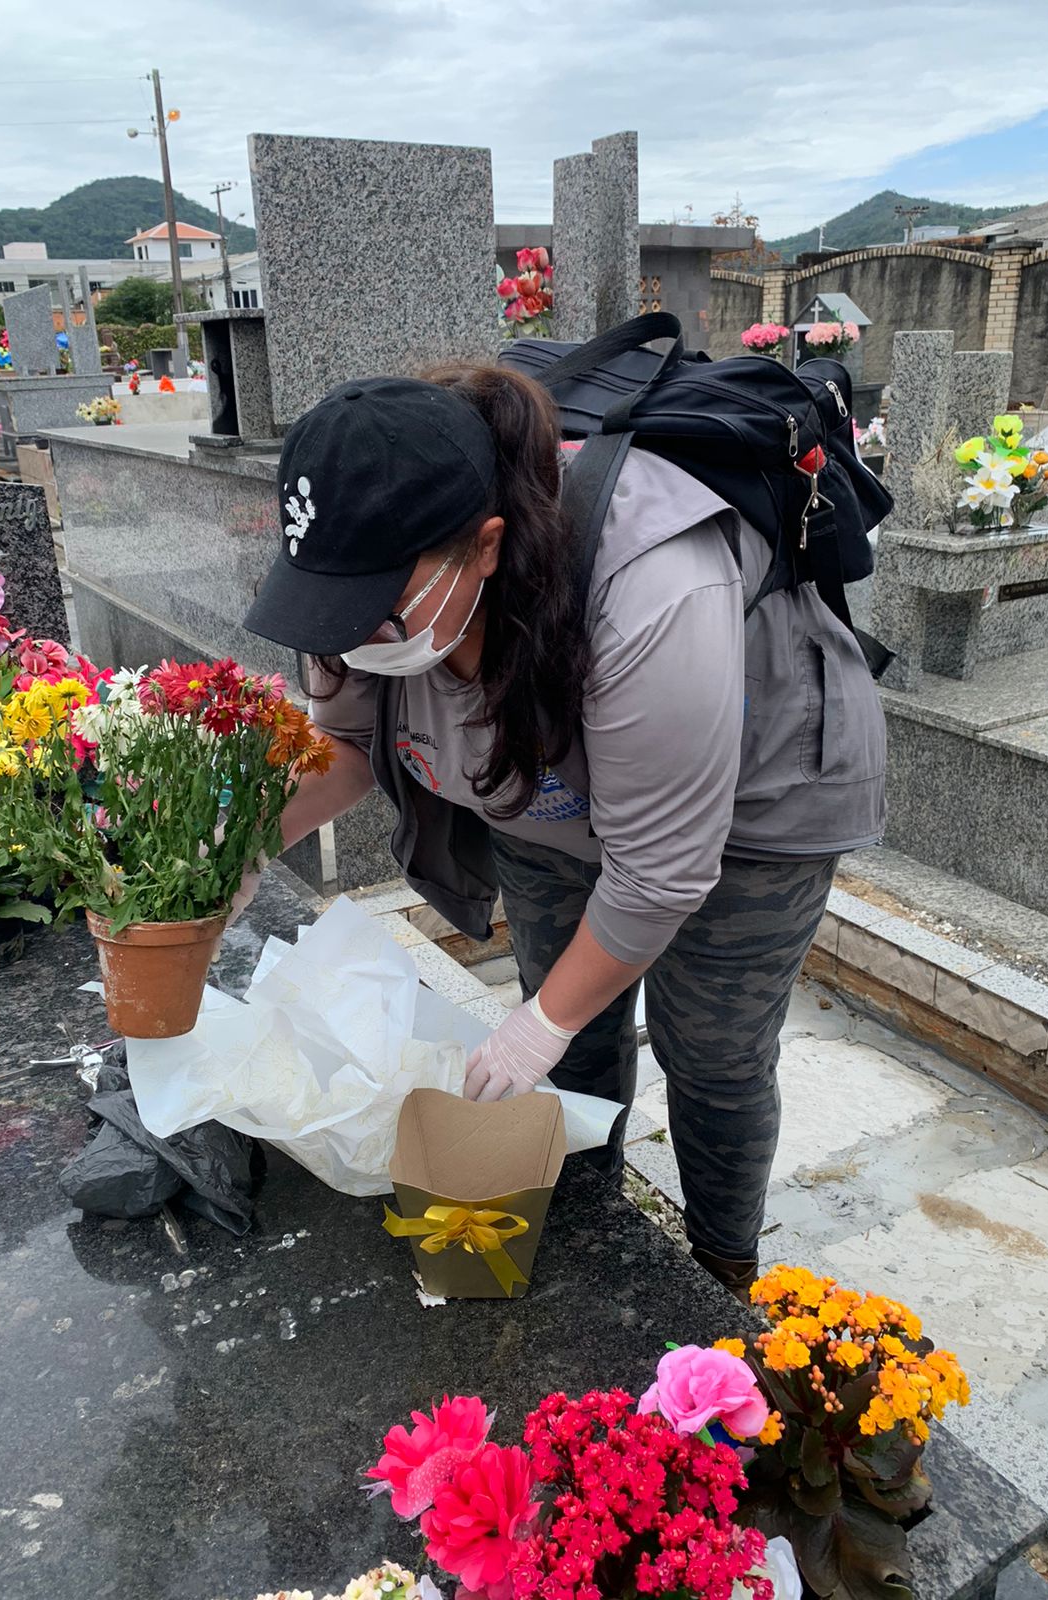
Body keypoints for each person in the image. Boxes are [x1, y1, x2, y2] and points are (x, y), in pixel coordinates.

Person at [241, 366, 886, 1297]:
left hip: (757, 793)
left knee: (710, 1050)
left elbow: (660, 873)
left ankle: (718, 1274)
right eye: (326, 607)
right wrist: (233, 849)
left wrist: (534, 1026)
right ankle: (587, 1222)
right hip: (542, 792)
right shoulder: (359, 590)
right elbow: (344, 741)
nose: (342, 639)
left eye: (374, 603)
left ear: (488, 545)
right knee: (574, 1025)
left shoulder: (652, 585)